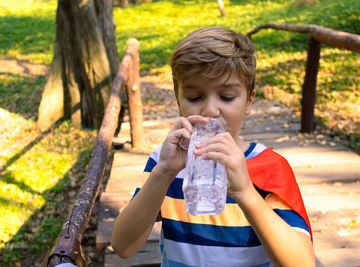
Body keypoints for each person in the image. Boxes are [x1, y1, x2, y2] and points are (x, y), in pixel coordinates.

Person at [111, 27, 315, 267]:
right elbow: (123, 246)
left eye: (227, 97)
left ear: (249, 101)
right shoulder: (165, 163)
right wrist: (164, 173)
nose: (209, 110)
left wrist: (246, 192)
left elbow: (302, 263)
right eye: (194, 98)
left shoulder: (269, 167)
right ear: (178, 102)